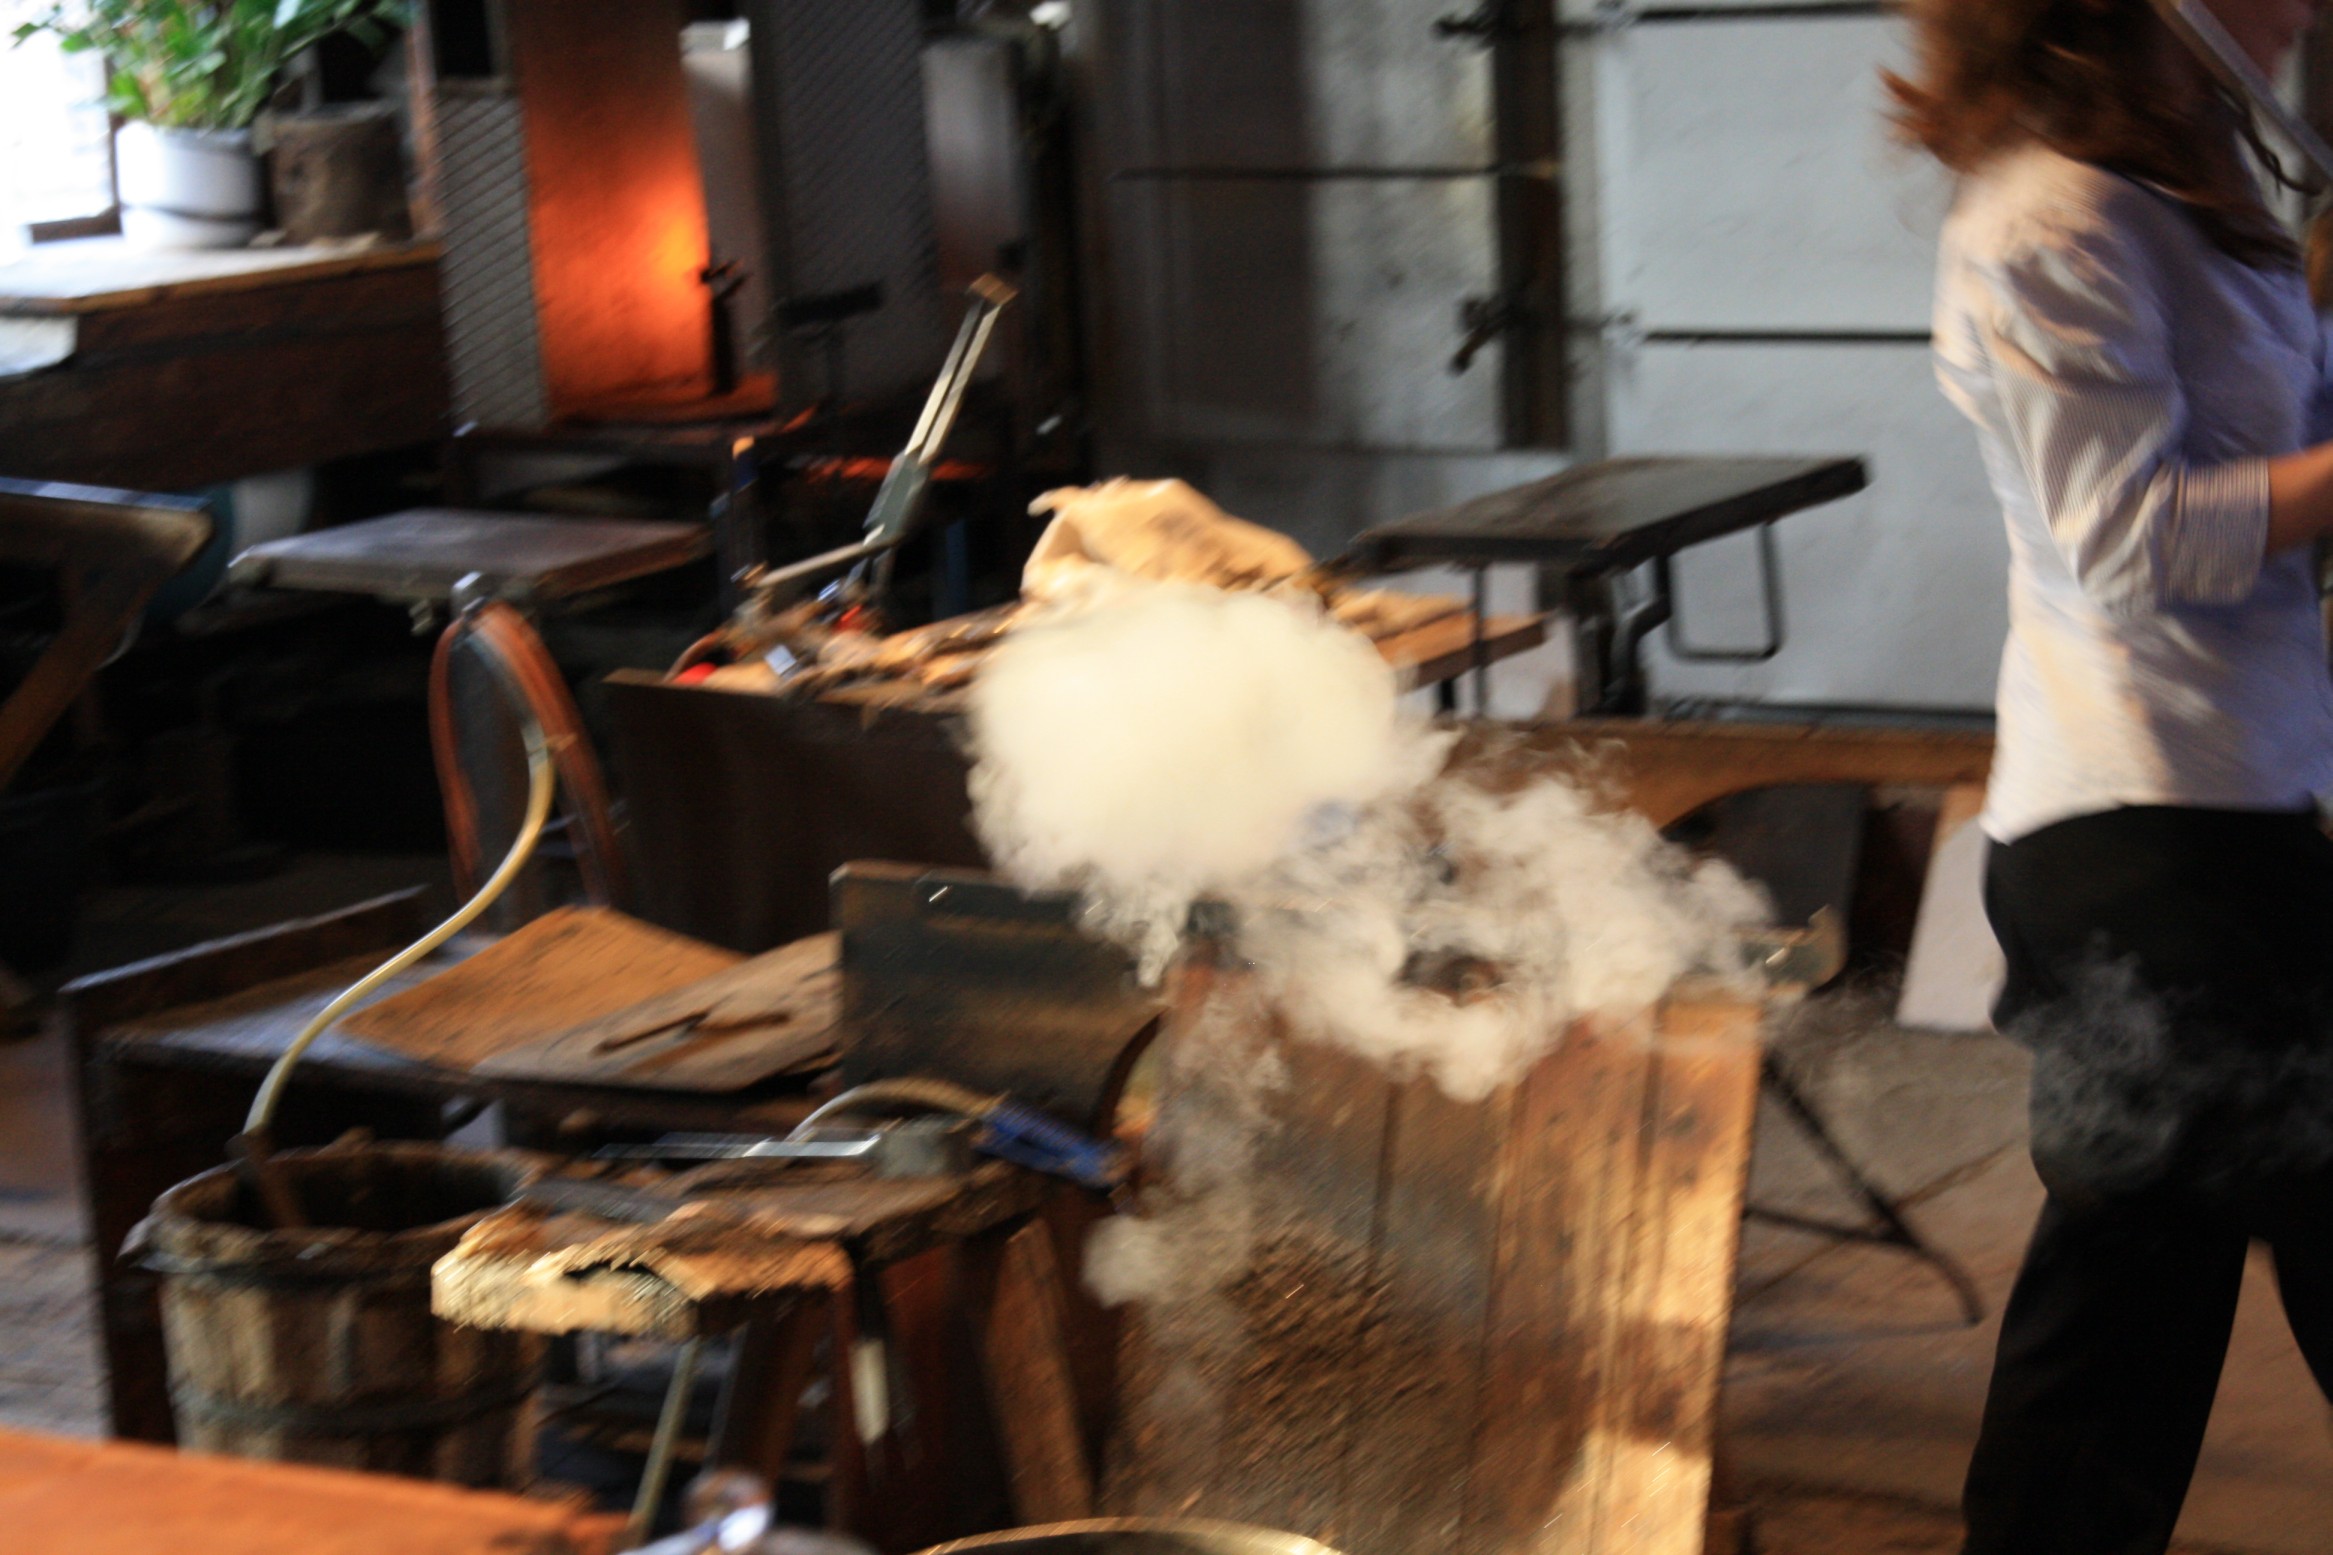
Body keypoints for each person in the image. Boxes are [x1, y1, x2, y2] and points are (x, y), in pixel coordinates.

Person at [1891, 0, 2333, 1550]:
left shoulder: (2187, 196)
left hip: (2233, 804)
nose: (2294, 12)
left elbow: (2287, 445)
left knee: (2123, 1308)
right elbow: (2127, 543)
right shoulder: (2044, 219)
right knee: (2147, 1293)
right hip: (2143, 842)